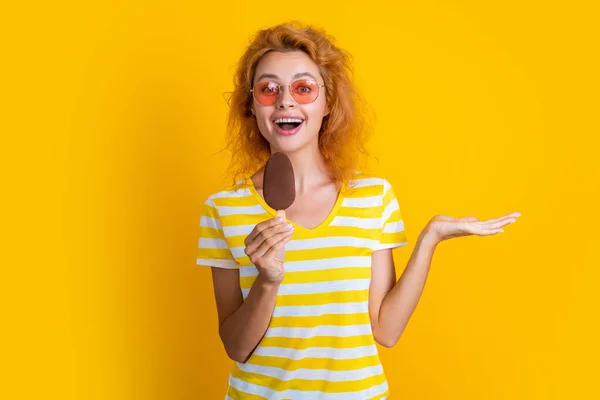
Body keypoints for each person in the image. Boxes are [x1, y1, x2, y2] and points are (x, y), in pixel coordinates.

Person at [196, 22, 520, 400]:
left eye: (303, 88)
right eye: (269, 89)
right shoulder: (223, 210)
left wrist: (430, 237)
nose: (285, 101)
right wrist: (267, 282)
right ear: (252, 105)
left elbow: (386, 330)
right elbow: (236, 347)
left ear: (327, 103)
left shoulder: (372, 198)